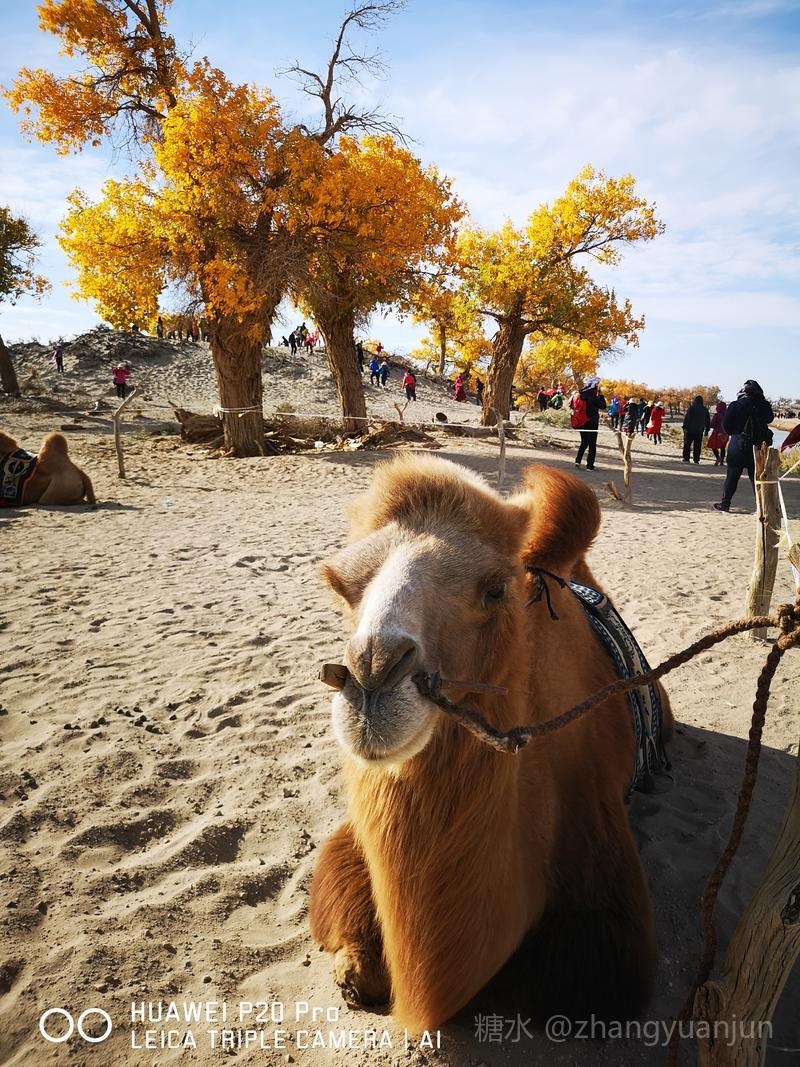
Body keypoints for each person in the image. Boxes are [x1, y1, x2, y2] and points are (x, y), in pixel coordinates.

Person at [713, 380, 774, 513]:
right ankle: (761, 508)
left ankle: (725, 504)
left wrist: (736, 431)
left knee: (732, 477)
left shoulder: (736, 405)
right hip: (758, 447)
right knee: (757, 479)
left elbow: (727, 427)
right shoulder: (764, 405)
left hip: (738, 446)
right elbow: (770, 419)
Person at [570, 376, 607, 470]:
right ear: (594, 388)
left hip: (581, 422)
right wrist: (601, 395)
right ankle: (589, 466)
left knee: (584, 442)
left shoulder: (580, 395)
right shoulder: (593, 397)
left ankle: (578, 460)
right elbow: (603, 406)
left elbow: (572, 406)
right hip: (592, 422)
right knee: (592, 444)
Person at [682, 395, 711, 464]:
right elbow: (708, 421)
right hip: (699, 431)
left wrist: (684, 427)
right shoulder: (705, 410)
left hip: (689, 430)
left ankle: (686, 458)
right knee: (697, 446)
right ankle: (696, 459)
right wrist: (707, 430)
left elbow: (687, 419)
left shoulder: (691, 408)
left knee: (687, 444)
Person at [708, 401, 729, 465]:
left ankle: (718, 458)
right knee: (723, 448)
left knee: (713, 446)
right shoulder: (727, 415)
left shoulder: (717, 415)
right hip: (725, 434)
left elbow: (712, 424)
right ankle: (722, 461)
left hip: (717, 433)